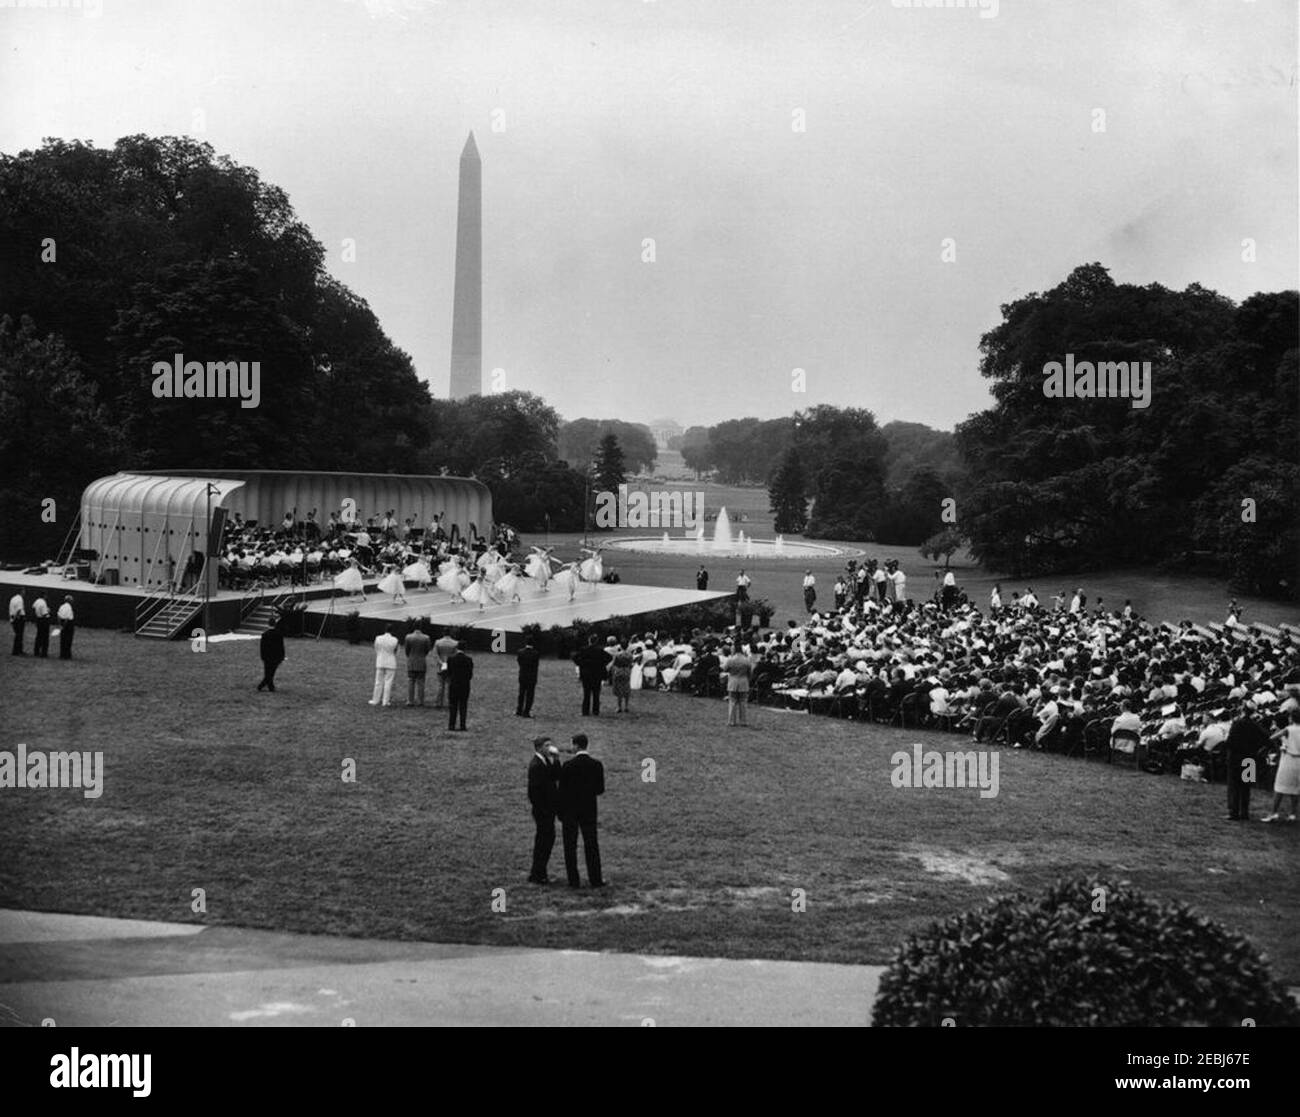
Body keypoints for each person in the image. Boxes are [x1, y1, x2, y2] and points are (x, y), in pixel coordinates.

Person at [559, 733, 605, 888]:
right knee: (591, 844)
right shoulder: (596, 765)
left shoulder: (568, 766)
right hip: (589, 809)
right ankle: (596, 879)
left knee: (570, 846)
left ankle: (573, 880)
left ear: (576, 745)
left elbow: (562, 791)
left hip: (570, 810)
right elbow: (600, 789)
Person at [1224, 703, 1270, 821]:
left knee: (1234, 786)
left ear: (1243, 710)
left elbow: (1230, 742)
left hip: (1235, 758)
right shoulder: (1256, 726)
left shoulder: (1237, 724)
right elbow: (1268, 740)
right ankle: (1244, 813)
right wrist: (1259, 751)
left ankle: (1234, 812)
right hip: (1250, 758)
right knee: (1245, 788)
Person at [527, 736, 562, 884]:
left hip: (548, 809)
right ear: (539, 747)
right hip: (543, 811)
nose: (550, 748)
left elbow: (556, 776)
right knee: (544, 841)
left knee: (547, 840)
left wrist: (556, 759)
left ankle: (540, 872)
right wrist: (544, 809)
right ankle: (537, 874)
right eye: (547, 745)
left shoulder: (546, 761)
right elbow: (534, 792)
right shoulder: (536, 765)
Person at [1263, 708, 1300, 823]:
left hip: (1288, 759)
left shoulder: (1288, 729)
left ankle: (1274, 812)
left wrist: (1282, 742)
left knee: (1279, 787)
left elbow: (1272, 738)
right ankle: (1293, 813)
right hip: (1298, 762)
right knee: (1295, 788)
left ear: (1291, 718)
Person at [573, 634, 613, 716]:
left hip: (586, 673)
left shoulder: (584, 650)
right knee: (596, 693)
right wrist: (602, 664)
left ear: (589, 641)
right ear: (596, 641)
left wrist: (581, 664)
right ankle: (596, 711)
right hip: (597, 674)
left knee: (586, 693)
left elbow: (574, 657)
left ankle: (585, 711)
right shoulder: (600, 650)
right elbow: (609, 657)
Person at [369, 624, 400, 707]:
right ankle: (385, 702)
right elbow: (396, 651)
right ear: (392, 631)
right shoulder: (395, 640)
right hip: (391, 662)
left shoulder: (378, 638)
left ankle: (375, 700)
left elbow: (376, 648)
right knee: (388, 683)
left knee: (378, 682)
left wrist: (380, 655)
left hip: (380, 661)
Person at [723, 640, 752, 727]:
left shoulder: (731, 659)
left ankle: (732, 721)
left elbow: (725, 669)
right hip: (743, 681)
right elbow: (750, 672)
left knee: (732, 702)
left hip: (733, 681)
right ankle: (743, 721)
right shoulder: (747, 660)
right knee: (743, 703)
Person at [445, 642, 474, 730]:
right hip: (464, 685)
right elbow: (470, 675)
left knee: (453, 705)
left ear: (457, 648)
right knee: (463, 706)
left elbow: (448, 672)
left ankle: (451, 725)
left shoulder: (450, 659)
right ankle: (462, 725)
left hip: (453, 684)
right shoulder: (469, 660)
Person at [404, 620, 431, 707]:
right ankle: (420, 701)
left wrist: (410, 656)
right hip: (421, 661)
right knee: (421, 682)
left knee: (411, 681)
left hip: (411, 661)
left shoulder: (408, 637)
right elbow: (427, 650)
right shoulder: (426, 638)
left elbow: (407, 650)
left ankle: (410, 700)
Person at [257, 620, 285, 692]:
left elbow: (262, 647)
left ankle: (267, 686)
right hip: (276, 657)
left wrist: (262, 657)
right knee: (271, 672)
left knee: (267, 672)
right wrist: (282, 656)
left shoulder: (265, 634)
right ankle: (266, 686)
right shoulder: (279, 634)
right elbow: (281, 647)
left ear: (268, 624)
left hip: (267, 657)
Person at [516, 636, 540, 717]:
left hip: (522, 675)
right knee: (530, 695)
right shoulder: (536, 653)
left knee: (521, 694)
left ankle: (519, 710)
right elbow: (536, 665)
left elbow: (519, 662)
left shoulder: (520, 652)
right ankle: (526, 712)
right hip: (531, 676)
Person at [433, 630, 458, 708]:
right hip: (451, 667)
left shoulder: (438, 642)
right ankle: (450, 702)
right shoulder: (455, 643)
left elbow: (435, 655)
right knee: (450, 685)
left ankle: (438, 703)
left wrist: (441, 662)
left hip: (441, 666)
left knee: (440, 685)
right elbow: (455, 655)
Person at [611, 642, 634, 713]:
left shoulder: (617, 655)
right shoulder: (630, 655)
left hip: (619, 671)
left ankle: (619, 707)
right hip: (627, 671)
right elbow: (631, 664)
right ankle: (626, 706)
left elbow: (614, 664)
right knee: (626, 688)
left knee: (619, 689)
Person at [9, 591, 25, 656]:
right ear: (21, 592)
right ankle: (16, 651)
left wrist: (12, 619)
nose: (24, 593)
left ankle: (19, 650)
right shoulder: (20, 599)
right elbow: (19, 610)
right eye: (24, 591)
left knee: (18, 635)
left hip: (13, 617)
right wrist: (17, 618)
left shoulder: (13, 598)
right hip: (18, 618)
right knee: (19, 635)